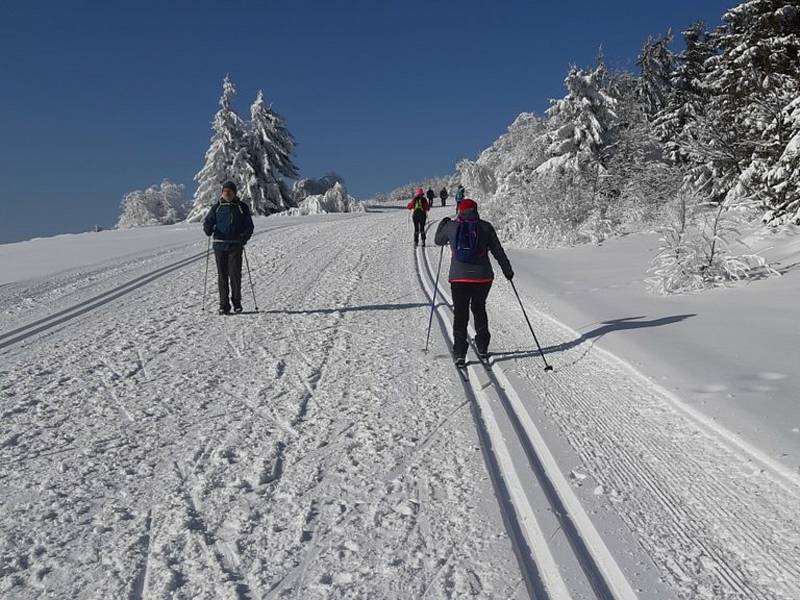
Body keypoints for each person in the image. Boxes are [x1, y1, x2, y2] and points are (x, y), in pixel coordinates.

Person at [434, 198, 513, 367]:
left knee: (461, 313)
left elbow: (438, 240)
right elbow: (498, 251)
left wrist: (443, 224)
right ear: (475, 210)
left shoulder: (452, 226)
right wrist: (507, 270)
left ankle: (460, 352)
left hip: (459, 277)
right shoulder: (486, 227)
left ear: (459, 210)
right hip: (483, 277)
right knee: (479, 308)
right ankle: (483, 346)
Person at [203, 181, 254, 315]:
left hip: (235, 245)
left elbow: (249, 226)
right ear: (222, 193)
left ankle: (237, 303)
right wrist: (208, 229)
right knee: (222, 276)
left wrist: (244, 237)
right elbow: (208, 221)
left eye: (230, 191)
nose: (227, 193)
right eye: (225, 191)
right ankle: (223, 306)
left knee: (235, 275)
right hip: (219, 245)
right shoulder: (216, 207)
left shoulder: (242, 207)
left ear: (234, 192)